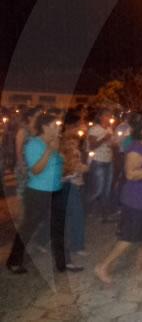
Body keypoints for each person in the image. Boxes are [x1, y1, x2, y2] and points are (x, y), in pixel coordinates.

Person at [94, 113, 142, 284]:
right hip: (138, 202)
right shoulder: (136, 149)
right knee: (128, 238)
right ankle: (103, 266)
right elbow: (131, 174)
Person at [6, 113, 83, 274]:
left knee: (59, 228)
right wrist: (49, 149)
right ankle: (14, 261)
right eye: (54, 125)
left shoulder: (56, 142)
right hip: (38, 193)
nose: (58, 128)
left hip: (56, 191)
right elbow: (36, 170)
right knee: (28, 227)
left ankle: (64, 263)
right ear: (45, 127)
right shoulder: (33, 144)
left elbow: (58, 167)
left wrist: (72, 168)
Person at [60, 111, 89, 256]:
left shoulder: (73, 139)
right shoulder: (66, 141)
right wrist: (81, 167)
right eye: (80, 123)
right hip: (69, 182)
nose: (82, 126)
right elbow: (68, 165)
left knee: (72, 215)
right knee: (76, 215)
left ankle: (73, 244)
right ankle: (76, 246)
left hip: (72, 182)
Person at [87, 108, 116, 221]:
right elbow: (92, 145)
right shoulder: (94, 129)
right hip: (98, 160)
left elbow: (111, 144)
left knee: (107, 190)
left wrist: (113, 143)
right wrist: (104, 138)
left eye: (110, 116)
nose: (109, 118)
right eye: (107, 115)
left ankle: (105, 214)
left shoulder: (109, 129)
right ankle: (85, 209)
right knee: (97, 189)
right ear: (100, 117)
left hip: (109, 161)